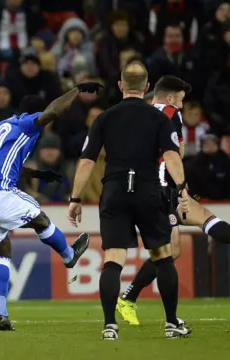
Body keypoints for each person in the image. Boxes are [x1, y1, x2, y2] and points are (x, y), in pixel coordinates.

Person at [116, 75, 230, 326]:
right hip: (159, 189)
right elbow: (174, 154)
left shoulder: (142, 113)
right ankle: (145, 307)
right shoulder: (170, 112)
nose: (182, 105)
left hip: (150, 186)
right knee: (168, 251)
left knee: (197, 222)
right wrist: (179, 187)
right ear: (171, 98)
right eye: (181, 99)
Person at [0, 84, 102, 331]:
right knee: (40, 218)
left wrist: (38, 174)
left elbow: (3, 162)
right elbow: (52, 112)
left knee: (2, 250)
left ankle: (1, 313)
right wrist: (76, 90)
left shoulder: (2, 127)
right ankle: (68, 256)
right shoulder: (27, 124)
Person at [66, 63, 191, 340]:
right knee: (162, 255)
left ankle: (110, 325)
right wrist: (182, 189)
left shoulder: (104, 118)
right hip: (149, 190)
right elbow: (172, 157)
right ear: (147, 88)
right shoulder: (161, 119)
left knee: (113, 258)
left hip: (115, 191)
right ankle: (171, 323)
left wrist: (75, 198)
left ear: (121, 86)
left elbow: (87, 160)